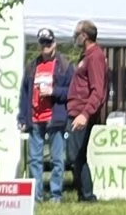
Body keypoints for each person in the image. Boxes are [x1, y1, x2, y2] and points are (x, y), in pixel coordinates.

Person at [20, 27, 72, 201]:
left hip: (54, 118)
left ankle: (55, 195)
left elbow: (71, 92)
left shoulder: (64, 65)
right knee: (35, 160)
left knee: (57, 159)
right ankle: (36, 196)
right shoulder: (32, 66)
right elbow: (24, 93)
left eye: (48, 43)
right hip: (35, 118)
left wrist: (53, 91)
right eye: (42, 43)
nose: (45, 47)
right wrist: (22, 117)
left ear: (54, 44)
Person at [66, 19, 108, 203]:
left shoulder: (95, 56)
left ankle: (88, 196)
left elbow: (98, 90)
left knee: (76, 155)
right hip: (75, 111)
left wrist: (85, 113)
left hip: (82, 113)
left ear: (84, 36)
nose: (74, 37)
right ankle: (83, 195)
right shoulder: (85, 56)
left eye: (76, 34)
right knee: (76, 154)